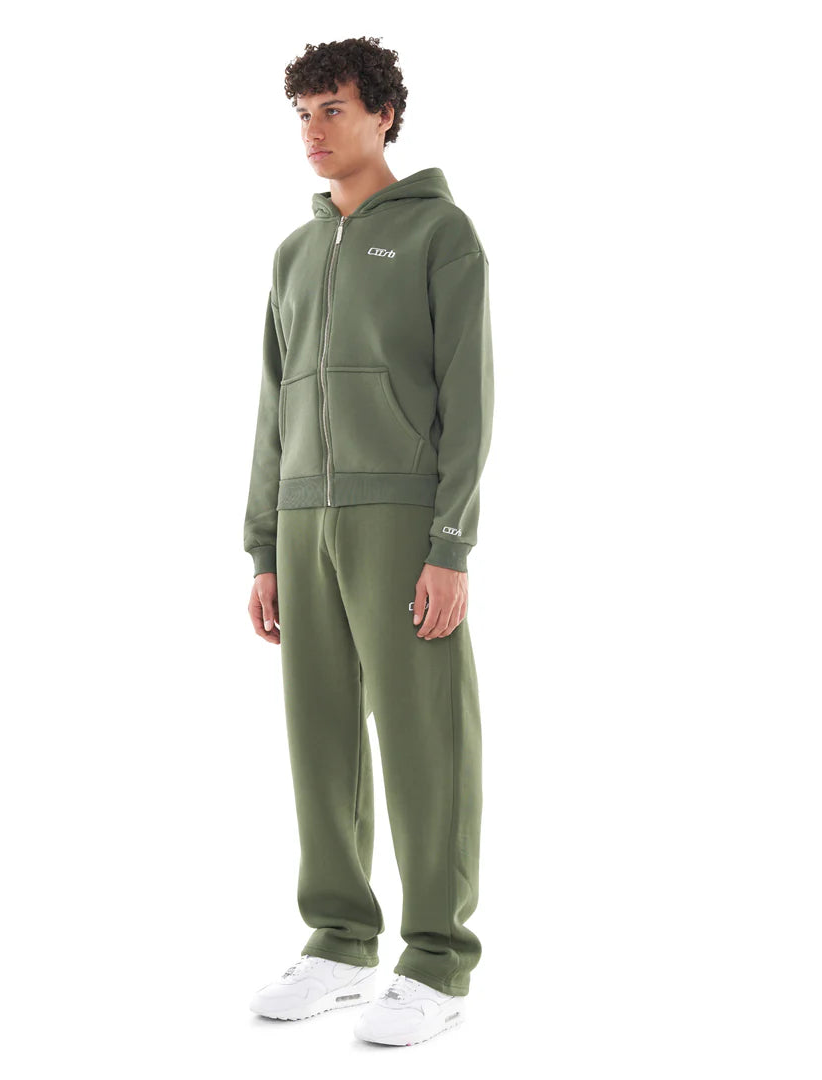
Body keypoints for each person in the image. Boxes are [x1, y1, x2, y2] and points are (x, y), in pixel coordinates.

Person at [242, 36, 494, 1047]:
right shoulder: (294, 255)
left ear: (384, 114)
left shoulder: (441, 234)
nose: (314, 130)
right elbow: (274, 406)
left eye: (333, 109)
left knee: (426, 734)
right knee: (321, 738)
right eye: (303, 112)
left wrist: (450, 543)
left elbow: (470, 399)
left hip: (401, 519)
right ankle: (341, 941)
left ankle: (436, 959)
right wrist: (264, 546)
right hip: (304, 518)